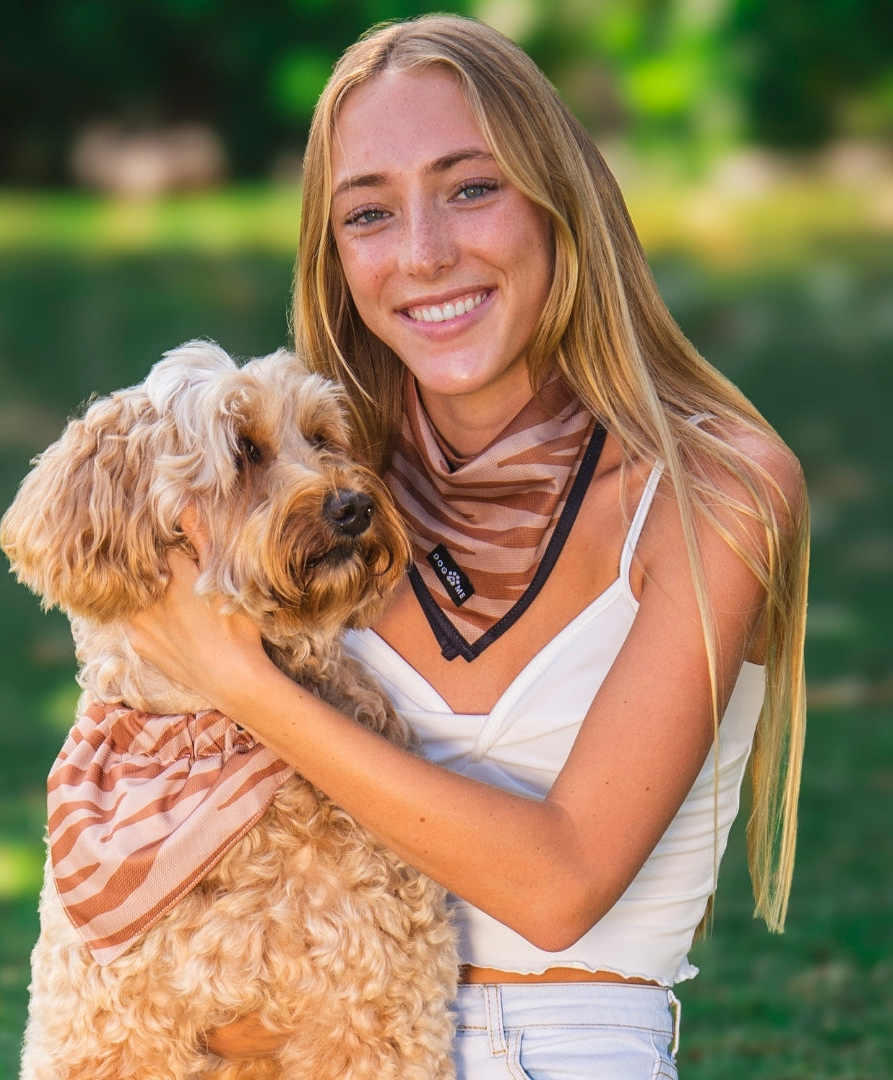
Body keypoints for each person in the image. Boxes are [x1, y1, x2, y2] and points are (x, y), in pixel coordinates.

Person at [127, 14, 809, 1078]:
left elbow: (561, 884)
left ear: (557, 198)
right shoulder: (303, 500)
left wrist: (242, 682)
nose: (425, 253)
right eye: (369, 213)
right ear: (335, 252)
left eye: (471, 187)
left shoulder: (717, 494)